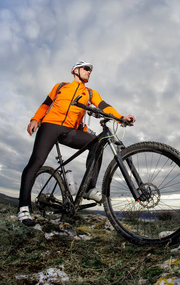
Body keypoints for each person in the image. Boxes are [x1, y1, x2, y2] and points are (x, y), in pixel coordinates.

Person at [18, 61, 136, 226]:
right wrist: (35, 119)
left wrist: (120, 117)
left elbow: (103, 106)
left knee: (98, 143)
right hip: (50, 126)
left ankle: (88, 187)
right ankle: (23, 207)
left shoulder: (89, 93)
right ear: (75, 70)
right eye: (86, 68)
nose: (89, 72)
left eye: (90, 70)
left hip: (70, 130)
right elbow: (46, 104)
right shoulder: (61, 86)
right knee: (36, 162)